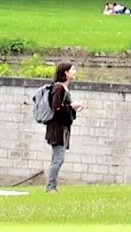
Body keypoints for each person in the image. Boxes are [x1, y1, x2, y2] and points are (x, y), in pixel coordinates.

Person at [44, 61, 85, 193]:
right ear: (65, 73)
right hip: (57, 129)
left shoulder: (64, 89)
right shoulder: (58, 88)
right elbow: (56, 108)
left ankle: (51, 186)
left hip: (63, 129)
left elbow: (63, 109)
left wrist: (75, 107)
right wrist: (71, 106)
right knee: (58, 159)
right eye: (73, 70)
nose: (75, 72)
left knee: (57, 158)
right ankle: (50, 187)